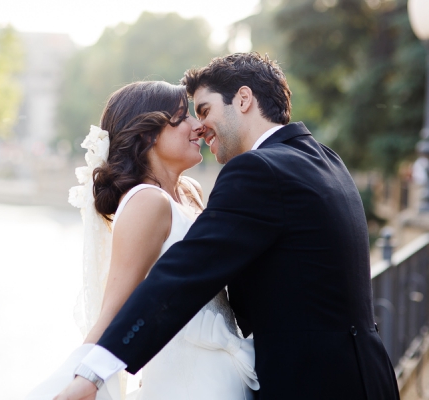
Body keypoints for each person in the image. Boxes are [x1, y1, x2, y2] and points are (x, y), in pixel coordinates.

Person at [55, 52, 400, 400]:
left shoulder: (258, 170)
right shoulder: (324, 159)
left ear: (244, 99)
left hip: (313, 386)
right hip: (367, 376)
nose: (200, 125)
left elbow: (183, 276)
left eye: (204, 110)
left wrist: (95, 371)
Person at [26, 81, 258, 400]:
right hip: (187, 384)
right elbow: (116, 309)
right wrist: (83, 379)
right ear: (148, 134)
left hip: (226, 372)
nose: (198, 125)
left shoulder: (190, 192)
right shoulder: (146, 202)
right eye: (182, 117)